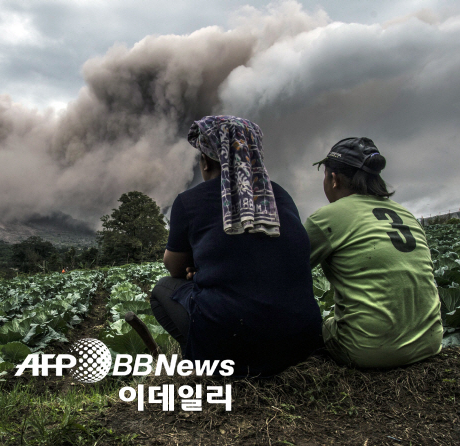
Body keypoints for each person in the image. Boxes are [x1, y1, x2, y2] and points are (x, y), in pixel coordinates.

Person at [150, 115, 323, 377]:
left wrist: (200, 269)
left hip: (233, 339)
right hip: (301, 341)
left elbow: (174, 268)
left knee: (162, 288)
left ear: (206, 161)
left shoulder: (189, 201)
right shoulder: (281, 195)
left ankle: (204, 364)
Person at [304, 137, 442, 368]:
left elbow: (286, 271)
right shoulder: (405, 214)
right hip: (430, 342)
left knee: (319, 325)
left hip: (368, 351)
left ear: (334, 179)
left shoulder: (326, 218)